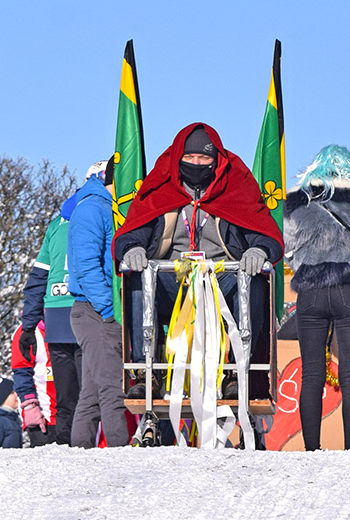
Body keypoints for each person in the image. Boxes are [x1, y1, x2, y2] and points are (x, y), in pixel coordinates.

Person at [112, 123, 283, 398]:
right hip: (173, 282)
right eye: (189, 157)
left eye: (204, 158)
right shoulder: (161, 188)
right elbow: (133, 231)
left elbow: (263, 232)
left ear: (216, 161)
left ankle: (236, 373)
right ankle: (146, 372)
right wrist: (132, 248)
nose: (196, 163)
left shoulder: (235, 187)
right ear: (178, 159)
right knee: (139, 279)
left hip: (221, 282)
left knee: (252, 282)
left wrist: (260, 250)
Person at [284, 145, 350, 450]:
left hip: (311, 291)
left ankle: (311, 448)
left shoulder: (297, 199)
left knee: (312, 373)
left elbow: (288, 250)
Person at [18, 165, 105, 445]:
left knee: (66, 396)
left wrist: (28, 325)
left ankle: (67, 447)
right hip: (88, 310)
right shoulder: (105, 213)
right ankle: (85, 447)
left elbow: (38, 277)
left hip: (56, 314)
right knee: (91, 394)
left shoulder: (57, 223)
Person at [67, 160, 130, 448]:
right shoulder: (93, 208)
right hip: (95, 310)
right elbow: (86, 266)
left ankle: (80, 452)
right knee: (112, 388)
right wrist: (109, 309)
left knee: (92, 393)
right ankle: (119, 450)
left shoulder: (107, 207)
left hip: (99, 309)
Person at [11, 322, 58, 447]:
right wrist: (29, 406)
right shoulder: (27, 331)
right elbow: (20, 370)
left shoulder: (73, 325)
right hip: (44, 417)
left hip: (72, 414)